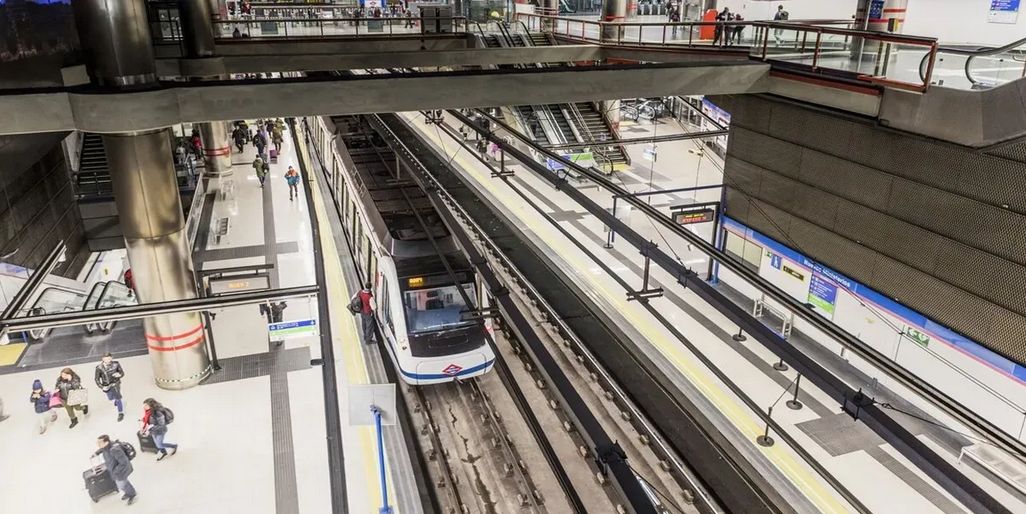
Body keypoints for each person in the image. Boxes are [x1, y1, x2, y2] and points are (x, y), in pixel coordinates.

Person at [95, 434, 136, 504]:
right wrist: (96, 453)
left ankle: (132, 494)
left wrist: (115, 471)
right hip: (115, 470)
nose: (97, 444)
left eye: (99, 443)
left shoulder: (115, 450)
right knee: (123, 483)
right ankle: (128, 492)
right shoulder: (106, 446)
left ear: (106, 442)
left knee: (121, 484)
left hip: (121, 471)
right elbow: (102, 449)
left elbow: (124, 462)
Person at [95, 353, 126, 422]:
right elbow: (97, 379)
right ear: (103, 359)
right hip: (106, 385)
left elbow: (122, 373)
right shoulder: (99, 368)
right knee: (110, 398)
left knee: (118, 398)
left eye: (109, 358)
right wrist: (102, 386)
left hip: (115, 384)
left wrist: (119, 375)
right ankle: (115, 400)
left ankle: (120, 413)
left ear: (112, 358)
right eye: (106, 358)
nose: (108, 360)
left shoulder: (116, 364)